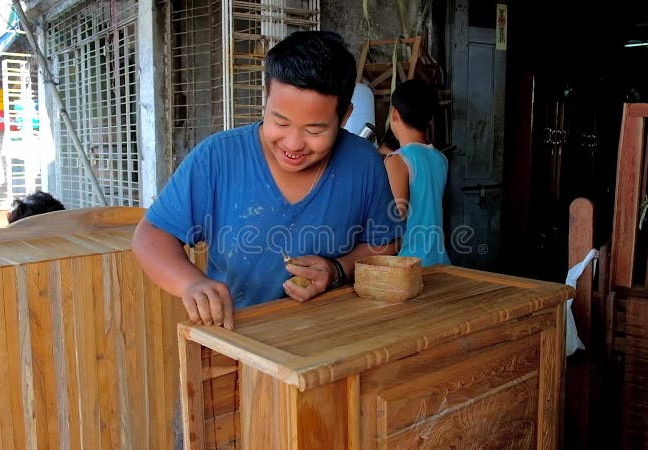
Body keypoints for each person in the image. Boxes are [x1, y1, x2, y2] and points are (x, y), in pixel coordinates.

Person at [132, 31, 401, 329]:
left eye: (314, 130)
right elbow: (152, 234)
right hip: (239, 344)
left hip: (332, 341)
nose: (293, 143)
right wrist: (191, 283)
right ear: (266, 99)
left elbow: (382, 245)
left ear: (345, 116)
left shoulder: (364, 163)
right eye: (280, 122)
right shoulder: (218, 158)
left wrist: (337, 270)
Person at [384, 78, 451, 267]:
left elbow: (395, 219)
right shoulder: (441, 159)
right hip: (439, 261)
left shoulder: (397, 161)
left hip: (409, 263)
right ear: (429, 119)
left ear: (394, 114)